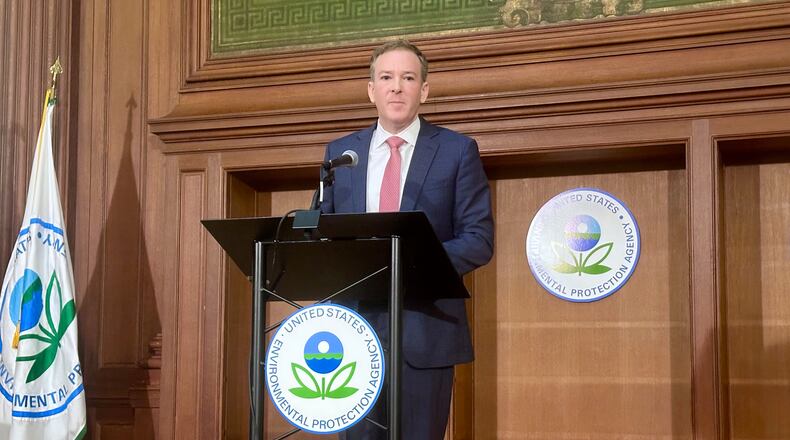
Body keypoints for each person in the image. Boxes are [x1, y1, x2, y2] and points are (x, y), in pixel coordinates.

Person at [321, 39, 494, 439]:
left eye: (408, 77)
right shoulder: (341, 155)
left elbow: (479, 238)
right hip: (353, 334)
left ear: (424, 90)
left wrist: (411, 263)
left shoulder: (456, 151)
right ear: (371, 90)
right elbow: (324, 234)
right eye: (386, 77)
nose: (396, 87)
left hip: (425, 333)